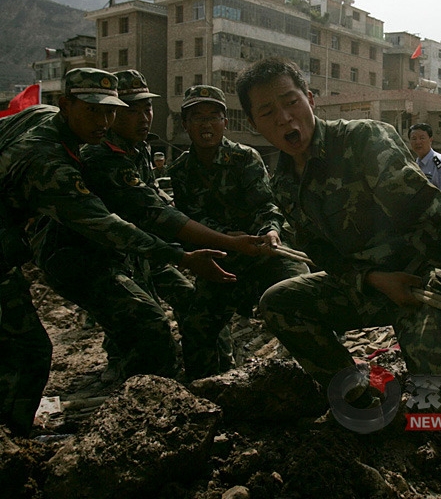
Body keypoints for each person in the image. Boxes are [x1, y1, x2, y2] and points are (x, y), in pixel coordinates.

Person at [235, 57, 441, 498]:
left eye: (291, 102)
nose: (285, 118)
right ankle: (363, 406)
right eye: (268, 113)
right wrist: (371, 279)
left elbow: (430, 214)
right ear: (256, 124)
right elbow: (326, 256)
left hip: (423, 283)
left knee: (439, 377)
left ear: (310, 100)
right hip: (370, 287)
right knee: (279, 301)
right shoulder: (284, 183)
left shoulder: (363, 139)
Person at [0, 68, 252, 438]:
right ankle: (124, 425)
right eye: (94, 111)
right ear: (66, 105)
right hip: (77, 252)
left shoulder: (51, 121)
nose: (105, 121)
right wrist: (184, 256)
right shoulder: (53, 161)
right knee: (31, 347)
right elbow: (110, 224)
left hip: (99, 247)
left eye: (110, 111)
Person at [33, 70, 270, 384]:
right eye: (132, 110)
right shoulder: (103, 156)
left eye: (147, 108)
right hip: (94, 255)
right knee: (146, 320)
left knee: (190, 301)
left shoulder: (136, 148)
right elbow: (157, 215)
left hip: (138, 249)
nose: (143, 117)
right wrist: (217, 245)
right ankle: (145, 385)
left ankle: (213, 372)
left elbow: (160, 202)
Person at [169, 85, 309, 379]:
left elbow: (265, 205)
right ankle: (206, 389)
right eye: (197, 117)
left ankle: (323, 377)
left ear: (225, 123)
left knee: (304, 295)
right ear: (185, 125)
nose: (206, 125)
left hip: (263, 252)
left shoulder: (246, 158)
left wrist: (270, 231)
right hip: (220, 260)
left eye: (213, 117)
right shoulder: (180, 170)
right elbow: (192, 220)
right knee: (197, 325)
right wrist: (231, 241)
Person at [409, 123, 441, 213]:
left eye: (422, 138)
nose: (418, 142)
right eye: (414, 138)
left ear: (431, 139)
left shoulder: (440, 163)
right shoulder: (415, 164)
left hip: (437, 216)